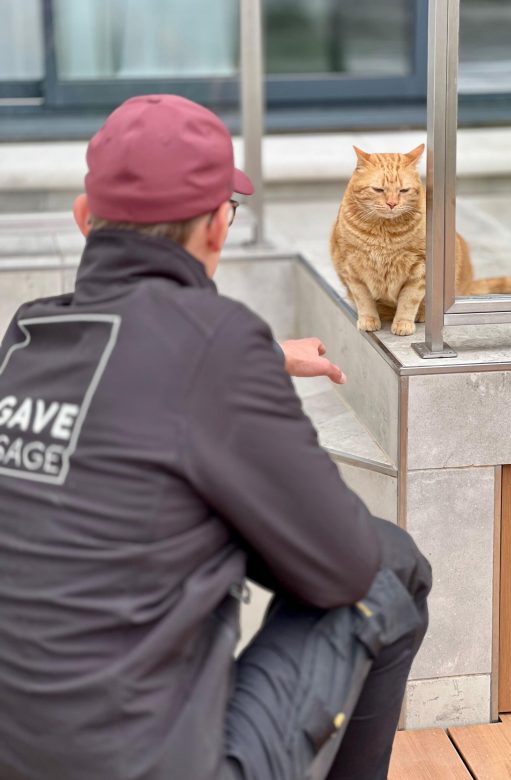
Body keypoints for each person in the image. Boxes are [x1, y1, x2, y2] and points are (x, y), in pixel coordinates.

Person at [0, 95, 431, 780]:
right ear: (216, 232)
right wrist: (242, 358)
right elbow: (343, 566)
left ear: (85, 221)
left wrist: (257, 359)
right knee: (389, 565)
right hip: (154, 766)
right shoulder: (217, 343)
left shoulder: (28, 336)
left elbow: (129, 391)